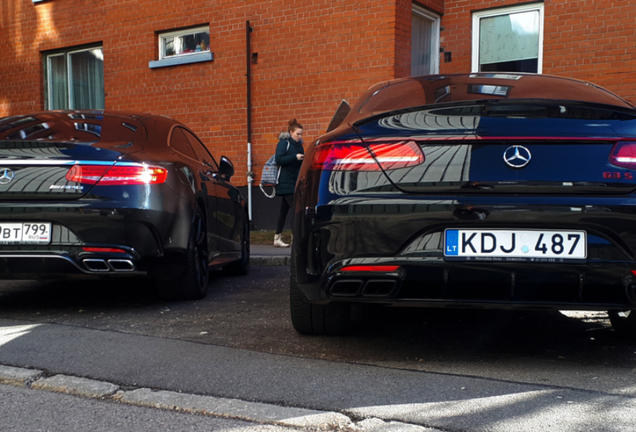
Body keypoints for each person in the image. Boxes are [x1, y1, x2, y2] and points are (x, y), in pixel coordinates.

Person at [273, 118, 304, 247]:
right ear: (291, 132)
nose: (300, 136)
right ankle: (295, 237)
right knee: (296, 208)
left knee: (284, 210)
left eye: (301, 134)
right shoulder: (283, 143)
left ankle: (277, 238)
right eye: (298, 134)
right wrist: (294, 157)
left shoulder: (299, 146)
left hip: (294, 180)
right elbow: (278, 159)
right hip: (285, 181)